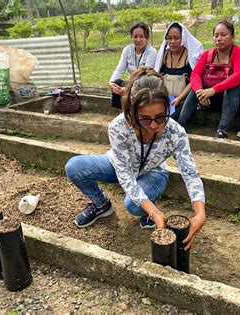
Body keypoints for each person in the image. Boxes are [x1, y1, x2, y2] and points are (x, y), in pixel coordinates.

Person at [66, 67, 206, 251]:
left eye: (160, 116)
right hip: (118, 165)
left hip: (153, 171)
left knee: (133, 205)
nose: (154, 125)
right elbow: (124, 175)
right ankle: (101, 204)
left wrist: (200, 212)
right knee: (75, 166)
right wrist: (155, 212)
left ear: (168, 107)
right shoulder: (119, 127)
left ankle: (146, 207)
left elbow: (190, 173)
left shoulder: (175, 132)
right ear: (132, 112)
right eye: (145, 119)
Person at [177, 20, 240, 139]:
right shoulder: (207, 54)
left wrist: (213, 90)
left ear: (232, 37)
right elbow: (195, 74)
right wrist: (200, 91)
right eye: (216, 35)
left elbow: (239, 76)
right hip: (214, 98)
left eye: (223, 35)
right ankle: (179, 126)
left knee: (232, 89)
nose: (219, 38)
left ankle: (222, 130)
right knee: (194, 90)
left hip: (237, 99)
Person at [154, 22, 203, 120]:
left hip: (183, 99)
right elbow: (159, 76)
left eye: (176, 38)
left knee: (170, 118)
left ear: (183, 38)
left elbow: (193, 81)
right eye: (169, 38)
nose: (172, 41)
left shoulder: (189, 56)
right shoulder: (164, 55)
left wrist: (179, 98)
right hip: (167, 97)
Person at [108, 23, 158, 109]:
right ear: (131, 37)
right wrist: (111, 83)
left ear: (147, 38)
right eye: (135, 37)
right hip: (130, 82)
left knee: (126, 88)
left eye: (141, 36)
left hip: (145, 83)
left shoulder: (152, 52)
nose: (138, 40)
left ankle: (133, 113)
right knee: (117, 83)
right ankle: (121, 112)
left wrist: (128, 89)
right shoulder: (127, 50)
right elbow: (120, 69)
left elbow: (145, 75)